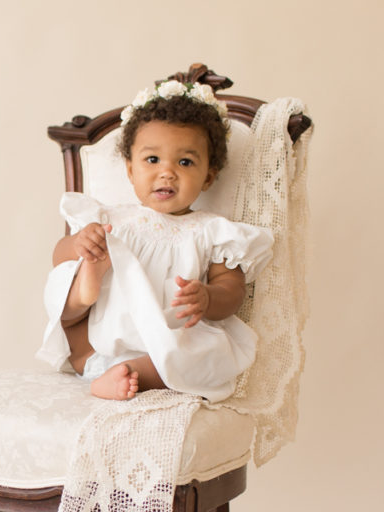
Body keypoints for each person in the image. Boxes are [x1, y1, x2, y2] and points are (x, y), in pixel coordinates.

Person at [37, 80, 274, 402]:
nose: (167, 173)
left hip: (168, 343)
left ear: (209, 175)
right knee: (64, 278)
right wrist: (80, 242)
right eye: (152, 160)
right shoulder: (109, 219)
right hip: (102, 338)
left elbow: (232, 289)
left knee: (209, 356)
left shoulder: (212, 232)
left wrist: (208, 297)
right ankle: (85, 294)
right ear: (130, 170)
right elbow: (59, 254)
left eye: (185, 162)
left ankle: (127, 376)